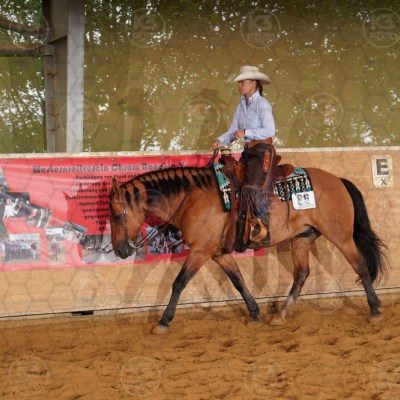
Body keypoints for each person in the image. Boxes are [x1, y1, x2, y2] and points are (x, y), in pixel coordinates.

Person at [212, 65, 276, 251]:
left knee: (252, 187)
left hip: (262, 150)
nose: (239, 85)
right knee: (233, 183)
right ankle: (240, 229)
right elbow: (233, 130)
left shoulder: (262, 104)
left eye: (243, 82)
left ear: (253, 83)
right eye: (239, 82)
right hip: (248, 151)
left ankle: (264, 226)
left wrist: (246, 132)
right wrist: (220, 140)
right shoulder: (241, 105)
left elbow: (270, 130)